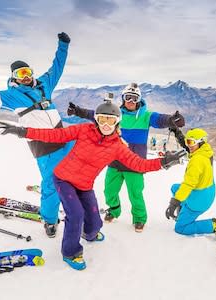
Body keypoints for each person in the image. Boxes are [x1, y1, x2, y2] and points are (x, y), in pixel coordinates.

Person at [0, 94, 186, 270]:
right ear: (96, 119)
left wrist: (163, 162)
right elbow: (53, 135)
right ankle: (70, 252)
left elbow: (139, 164)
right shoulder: (83, 130)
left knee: (94, 221)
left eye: (110, 120)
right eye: (102, 119)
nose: (105, 124)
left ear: (117, 121)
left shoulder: (118, 147)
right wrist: (22, 131)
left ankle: (89, 233)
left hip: (84, 185)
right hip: (63, 178)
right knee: (76, 214)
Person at [0, 32, 72, 238]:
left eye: (27, 72)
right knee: (52, 186)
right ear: (13, 78)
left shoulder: (45, 84)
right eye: (20, 74)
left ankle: (77, 203)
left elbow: (57, 67)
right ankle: (50, 220)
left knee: (80, 170)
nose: (25, 76)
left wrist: (63, 45)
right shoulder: (11, 96)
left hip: (65, 139)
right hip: (45, 147)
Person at [67, 83, 185, 232]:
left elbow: (161, 119)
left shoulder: (146, 116)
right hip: (115, 161)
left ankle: (139, 219)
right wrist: (77, 111)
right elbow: (95, 115)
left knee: (135, 193)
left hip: (135, 164)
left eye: (134, 98)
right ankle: (114, 210)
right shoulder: (116, 114)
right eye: (128, 97)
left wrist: (173, 120)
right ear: (123, 98)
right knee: (109, 191)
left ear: (139, 100)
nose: (131, 101)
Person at [165, 128, 216, 239]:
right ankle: (182, 212)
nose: (188, 145)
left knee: (181, 228)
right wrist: (177, 131)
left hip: (199, 200)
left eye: (191, 142)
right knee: (175, 188)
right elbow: (188, 147)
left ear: (200, 142)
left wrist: (173, 203)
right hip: (208, 191)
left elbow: (188, 184)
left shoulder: (197, 160)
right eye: (187, 141)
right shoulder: (206, 151)